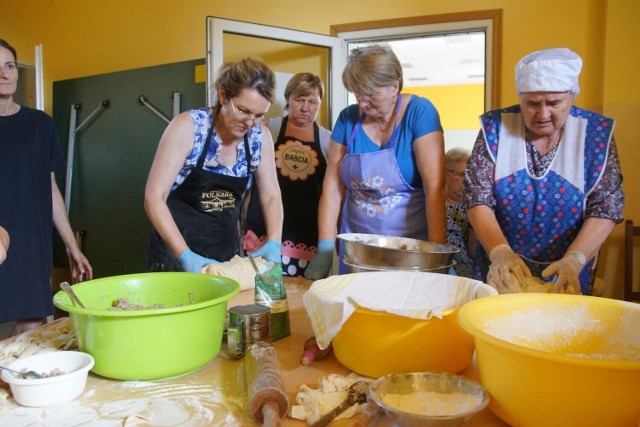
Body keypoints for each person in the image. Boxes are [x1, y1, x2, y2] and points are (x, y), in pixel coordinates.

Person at [464, 48, 624, 295]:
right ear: (521, 98)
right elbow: (477, 197)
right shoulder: (495, 129)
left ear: (571, 96)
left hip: (565, 272)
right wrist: (499, 252)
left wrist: (574, 260)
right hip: (502, 268)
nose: (542, 113)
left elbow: (606, 207)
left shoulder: (595, 135)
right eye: (532, 103)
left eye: (554, 103)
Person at [305, 44, 446, 279]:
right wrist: (326, 245)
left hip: (409, 251)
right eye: (358, 95)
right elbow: (332, 186)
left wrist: (438, 253)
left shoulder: (420, 113)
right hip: (357, 252)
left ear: (395, 86)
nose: (362, 104)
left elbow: (435, 187)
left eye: (371, 95)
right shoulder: (348, 119)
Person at [144, 57, 283, 272]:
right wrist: (185, 255)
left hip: (226, 256)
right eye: (243, 111)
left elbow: (271, 195)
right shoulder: (189, 128)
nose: (249, 122)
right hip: (177, 254)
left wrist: (274, 240)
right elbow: (154, 197)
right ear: (223, 96)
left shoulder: (259, 137)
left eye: (259, 115)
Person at [0, 39, 93, 334]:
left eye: (10, 66)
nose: (4, 73)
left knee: (32, 323)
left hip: (30, 237)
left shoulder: (40, 124)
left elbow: (49, 187)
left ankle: (18, 378)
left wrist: (71, 245)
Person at [243, 73, 331, 277]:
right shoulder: (268, 129)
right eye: (299, 100)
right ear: (288, 98)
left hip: (306, 233)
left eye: (312, 102)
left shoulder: (327, 140)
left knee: (301, 297)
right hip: (263, 228)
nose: (305, 108)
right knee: (261, 291)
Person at [445, 148, 476, 278]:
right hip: (438, 265)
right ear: (445, 173)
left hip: (464, 271)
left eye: (471, 174)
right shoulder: (431, 204)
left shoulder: (473, 207)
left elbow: (473, 252)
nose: (468, 180)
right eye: (463, 174)